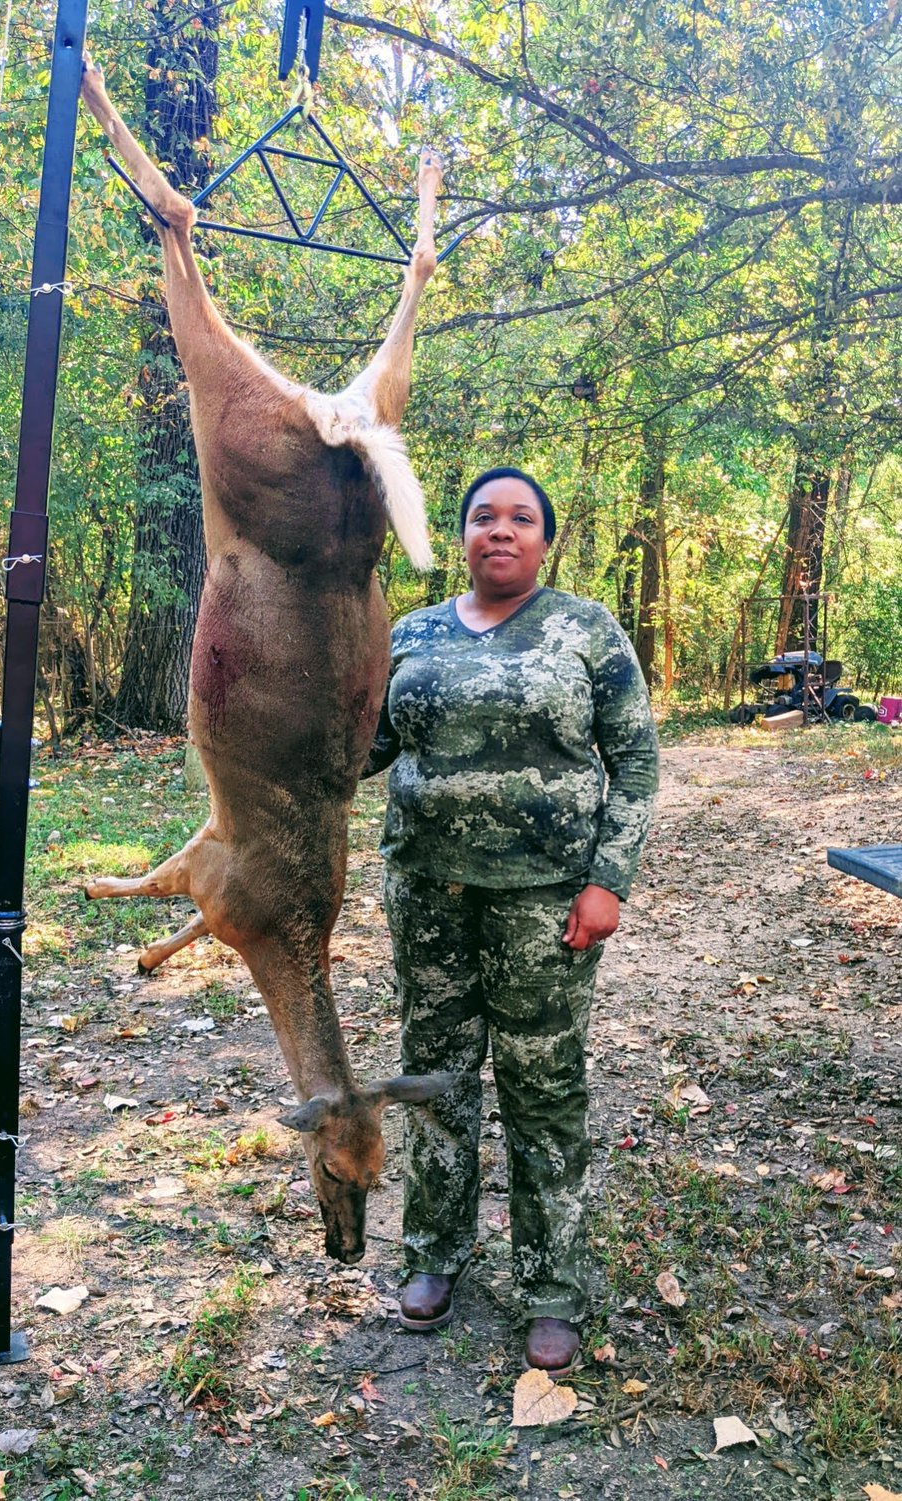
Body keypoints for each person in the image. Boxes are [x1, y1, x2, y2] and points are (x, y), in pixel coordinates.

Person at [364, 466, 659, 1375]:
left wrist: (608, 880)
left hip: (545, 907)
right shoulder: (409, 633)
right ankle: (433, 1259)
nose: (501, 529)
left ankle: (554, 1287)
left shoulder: (586, 631)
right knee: (437, 1081)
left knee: (542, 1093)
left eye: (521, 517)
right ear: (459, 534)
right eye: (483, 516)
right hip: (428, 900)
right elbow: (365, 749)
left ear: (544, 538)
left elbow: (637, 766)